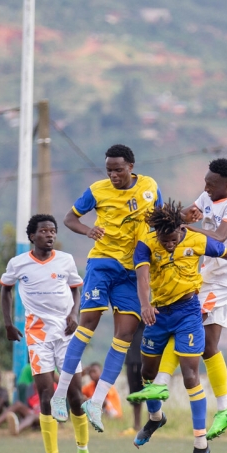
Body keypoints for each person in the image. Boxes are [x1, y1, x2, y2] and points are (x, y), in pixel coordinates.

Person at [130, 202, 227, 453]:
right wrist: (145, 305)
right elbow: (142, 278)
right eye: (162, 240)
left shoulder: (196, 239)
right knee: (147, 372)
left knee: (191, 374)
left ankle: (200, 446)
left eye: (172, 240)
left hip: (188, 311)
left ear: (181, 230)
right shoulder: (146, 243)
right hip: (158, 312)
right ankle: (156, 418)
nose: (167, 245)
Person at [50, 144, 162, 433]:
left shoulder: (149, 187)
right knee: (88, 323)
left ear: (131, 167)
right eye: (109, 169)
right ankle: (59, 395)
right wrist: (88, 230)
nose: (112, 174)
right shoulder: (97, 190)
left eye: (118, 169)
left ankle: (96, 402)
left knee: (124, 334)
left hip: (131, 269)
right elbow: (69, 218)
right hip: (102, 263)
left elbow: (160, 221)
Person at [133, 158, 227, 441]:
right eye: (205, 182)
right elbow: (182, 217)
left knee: (185, 323)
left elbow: (219, 237)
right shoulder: (207, 196)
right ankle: (226, 407)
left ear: (226, 185)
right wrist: (171, 219)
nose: (205, 188)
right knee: (208, 347)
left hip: (221, 280)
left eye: (211, 184)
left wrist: (186, 231)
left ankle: (160, 382)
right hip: (204, 276)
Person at [1, 213, 92, 453]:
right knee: (46, 397)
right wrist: (7, 323)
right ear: (32, 236)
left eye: (52, 231)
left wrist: (74, 314)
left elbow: (77, 288)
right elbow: (5, 290)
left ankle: (83, 452)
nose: (50, 235)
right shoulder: (18, 264)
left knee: (76, 395)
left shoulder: (65, 260)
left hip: (66, 334)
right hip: (37, 336)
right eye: (43, 231)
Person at [124, 326, 145, 432]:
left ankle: (153, 421)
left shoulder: (149, 310)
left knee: (150, 391)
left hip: (147, 355)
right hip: (131, 357)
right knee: (134, 391)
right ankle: (137, 424)